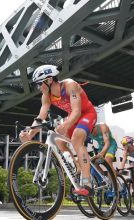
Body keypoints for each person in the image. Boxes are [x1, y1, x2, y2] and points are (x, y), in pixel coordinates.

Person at [19, 65, 97, 197]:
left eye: (39, 83)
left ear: (49, 80)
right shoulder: (46, 96)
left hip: (86, 114)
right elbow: (40, 118)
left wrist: (65, 126)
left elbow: (77, 111)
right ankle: (78, 171)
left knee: (76, 139)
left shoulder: (70, 85)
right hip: (73, 117)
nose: (38, 87)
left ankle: (88, 184)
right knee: (59, 142)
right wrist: (29, 135)